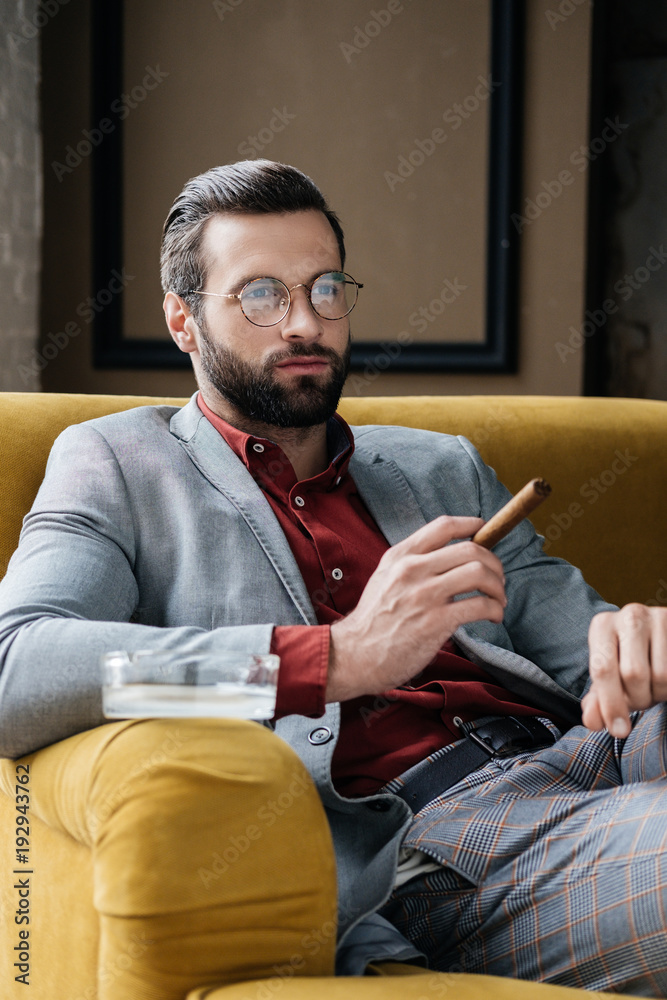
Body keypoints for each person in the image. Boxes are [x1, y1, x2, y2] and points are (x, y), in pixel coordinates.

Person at [0, 159, 666, 993]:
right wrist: (332, 659)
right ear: (182, 321)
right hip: (428, 844)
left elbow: (591, 657)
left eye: (323, 288)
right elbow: (14, 672)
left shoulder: (442, 469)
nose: (303, 323)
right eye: (260, 295)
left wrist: (634, 643)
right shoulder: (118, 463)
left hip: (587, 757)